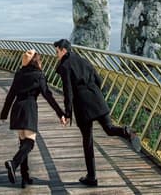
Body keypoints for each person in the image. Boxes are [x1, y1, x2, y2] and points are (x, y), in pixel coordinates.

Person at [53, 38, 141, 187]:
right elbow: (98, 80)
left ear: (63, 50)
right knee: (110, 129)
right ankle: (127, 132)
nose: (56, 55)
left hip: (82, 105)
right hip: (96, 98)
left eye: (57, 51)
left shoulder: (65, 66)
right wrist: (96, 95)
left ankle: (92, 177)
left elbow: (68, 91)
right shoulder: (84, 60)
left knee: (88, 141)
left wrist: (67, 114)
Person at [0, 49, 65, 187]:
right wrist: (61, 113)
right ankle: (14, 163)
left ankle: (25, 177)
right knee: (29, 143)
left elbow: (11, 94)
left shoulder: (19, 73)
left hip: (17, 108)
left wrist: (4, 113)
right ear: (36, 60)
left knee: (23, 143)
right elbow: (48, 95)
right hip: (29, 109)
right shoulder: (38, 75)